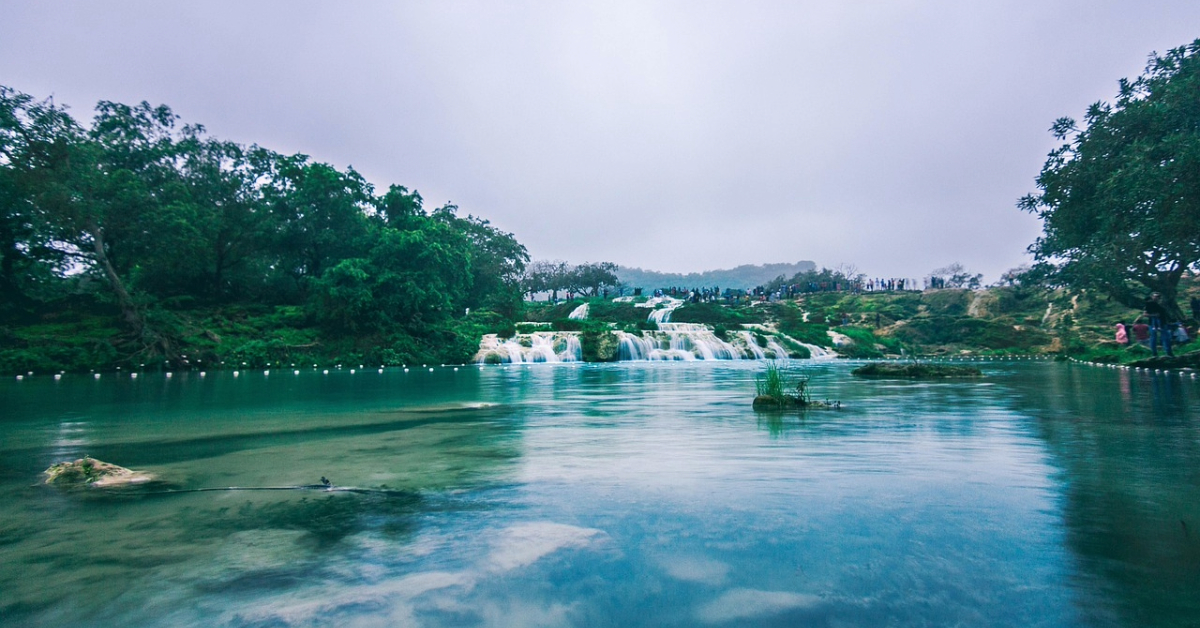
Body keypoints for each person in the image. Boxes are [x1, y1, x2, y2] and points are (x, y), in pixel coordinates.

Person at [1141, 292, 1173, 357]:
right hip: (1152, 323)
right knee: (1153, 338)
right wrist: (1154, 315)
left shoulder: (1161, 305)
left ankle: (1168, 353)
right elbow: (1145, 314)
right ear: (1152, 297)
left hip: (1163, 322)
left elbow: (1165, 313)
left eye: (1158, 296)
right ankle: (1154, 353)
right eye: (1155, 296)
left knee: (1166, 338)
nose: (1156, 297)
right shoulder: (1149, 305)